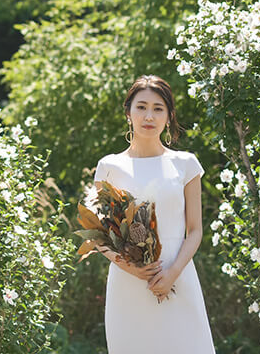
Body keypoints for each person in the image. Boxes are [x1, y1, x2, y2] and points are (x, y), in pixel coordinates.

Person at [91, 75, 214, 353]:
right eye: (141, 107)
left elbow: (194, 231)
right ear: (128, 113)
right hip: (128, 285)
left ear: (169, 116)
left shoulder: (186, 164)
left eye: (158, 108)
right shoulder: (109, 166)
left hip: (178, 276)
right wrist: (130, 267)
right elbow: (100, 233)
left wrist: (172, 273)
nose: (149, 115)